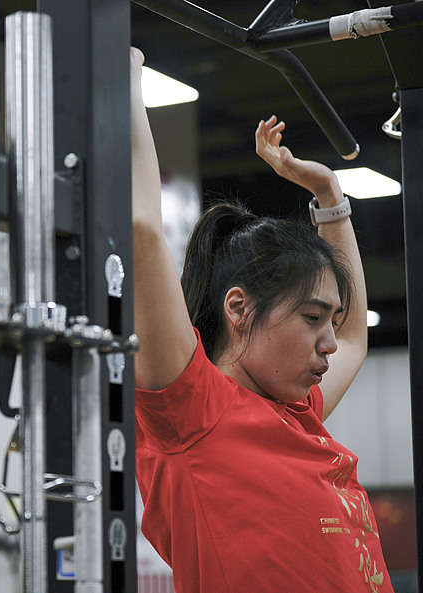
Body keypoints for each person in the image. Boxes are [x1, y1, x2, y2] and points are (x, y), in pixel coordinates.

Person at [130, 47, 393, 593]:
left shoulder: (297, 413)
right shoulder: (192, 408)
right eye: (311, 317)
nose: (328, 343)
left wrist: (329, 194)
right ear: (239, 308)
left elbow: (352, 338)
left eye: (331, 319)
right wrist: (121, 77)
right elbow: (142, 229)